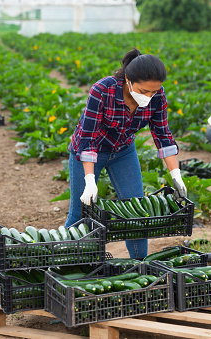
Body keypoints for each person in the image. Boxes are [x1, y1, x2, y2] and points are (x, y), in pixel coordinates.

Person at [65, 48, 187, 259]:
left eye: (154, 92)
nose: (149, 97)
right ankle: (63, 260)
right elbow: (87, 137)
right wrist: (90, 180)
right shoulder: (102, 91)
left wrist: (176, 175)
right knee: (80, 211)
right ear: (128, 81)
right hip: (89, 150)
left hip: (123, 151)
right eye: (144, 91)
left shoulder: (157, 97)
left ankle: (140, 265)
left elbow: (163, 135)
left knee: (137, 212)